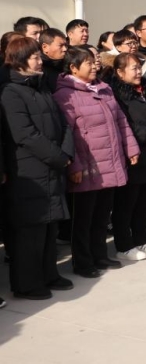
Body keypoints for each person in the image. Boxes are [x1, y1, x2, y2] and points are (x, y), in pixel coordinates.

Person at [54, 47, 140, 276]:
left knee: (102, 214)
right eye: (88, 63)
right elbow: (67, 135)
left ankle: (100, 255)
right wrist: (74, 165)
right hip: (87, 166)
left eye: (95, 62)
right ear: (73, 68)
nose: (95, 66)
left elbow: (120, 121)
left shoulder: (104, 88)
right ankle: (83, 262)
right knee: (83, 218)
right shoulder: (65, 95)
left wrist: (130, 147)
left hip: (109, 161)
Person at [1, 38, 75, 300]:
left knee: (49, 227)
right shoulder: (10, 92)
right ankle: (27, 284)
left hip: (52, 165)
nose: (39, 60)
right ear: (20, 60)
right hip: (29, 168)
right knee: (29, 230)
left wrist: (66, 152)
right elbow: (25, 135)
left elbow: (63, 123)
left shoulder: (41, 88)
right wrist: (57, 156)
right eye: (33, 56)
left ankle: (49, 274)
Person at [110, 53, 146, 260]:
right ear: (119, 72)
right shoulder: (117, 94)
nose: (138, 71)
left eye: (138, 67)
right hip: (132, 152)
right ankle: (124, 245)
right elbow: (125, 124)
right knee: (127, 203)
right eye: (132, 68)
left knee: (143, 201)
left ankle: (142, 239)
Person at [39, 28, 68, 93]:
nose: (65, 49)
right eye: (60, 46)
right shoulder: (40, 71)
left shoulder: (67, 66)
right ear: (45, 47)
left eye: (65, 45)